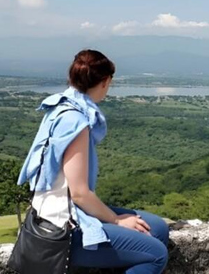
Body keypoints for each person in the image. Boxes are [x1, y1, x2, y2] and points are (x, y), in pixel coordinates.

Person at [17, 49, 169, 274]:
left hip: (63, 210)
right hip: (63, 228)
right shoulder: (75, 120)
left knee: (156, 228)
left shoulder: (60, 106)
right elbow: (79, 193)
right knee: (156, 255)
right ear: (105, 82)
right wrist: (116, 221)